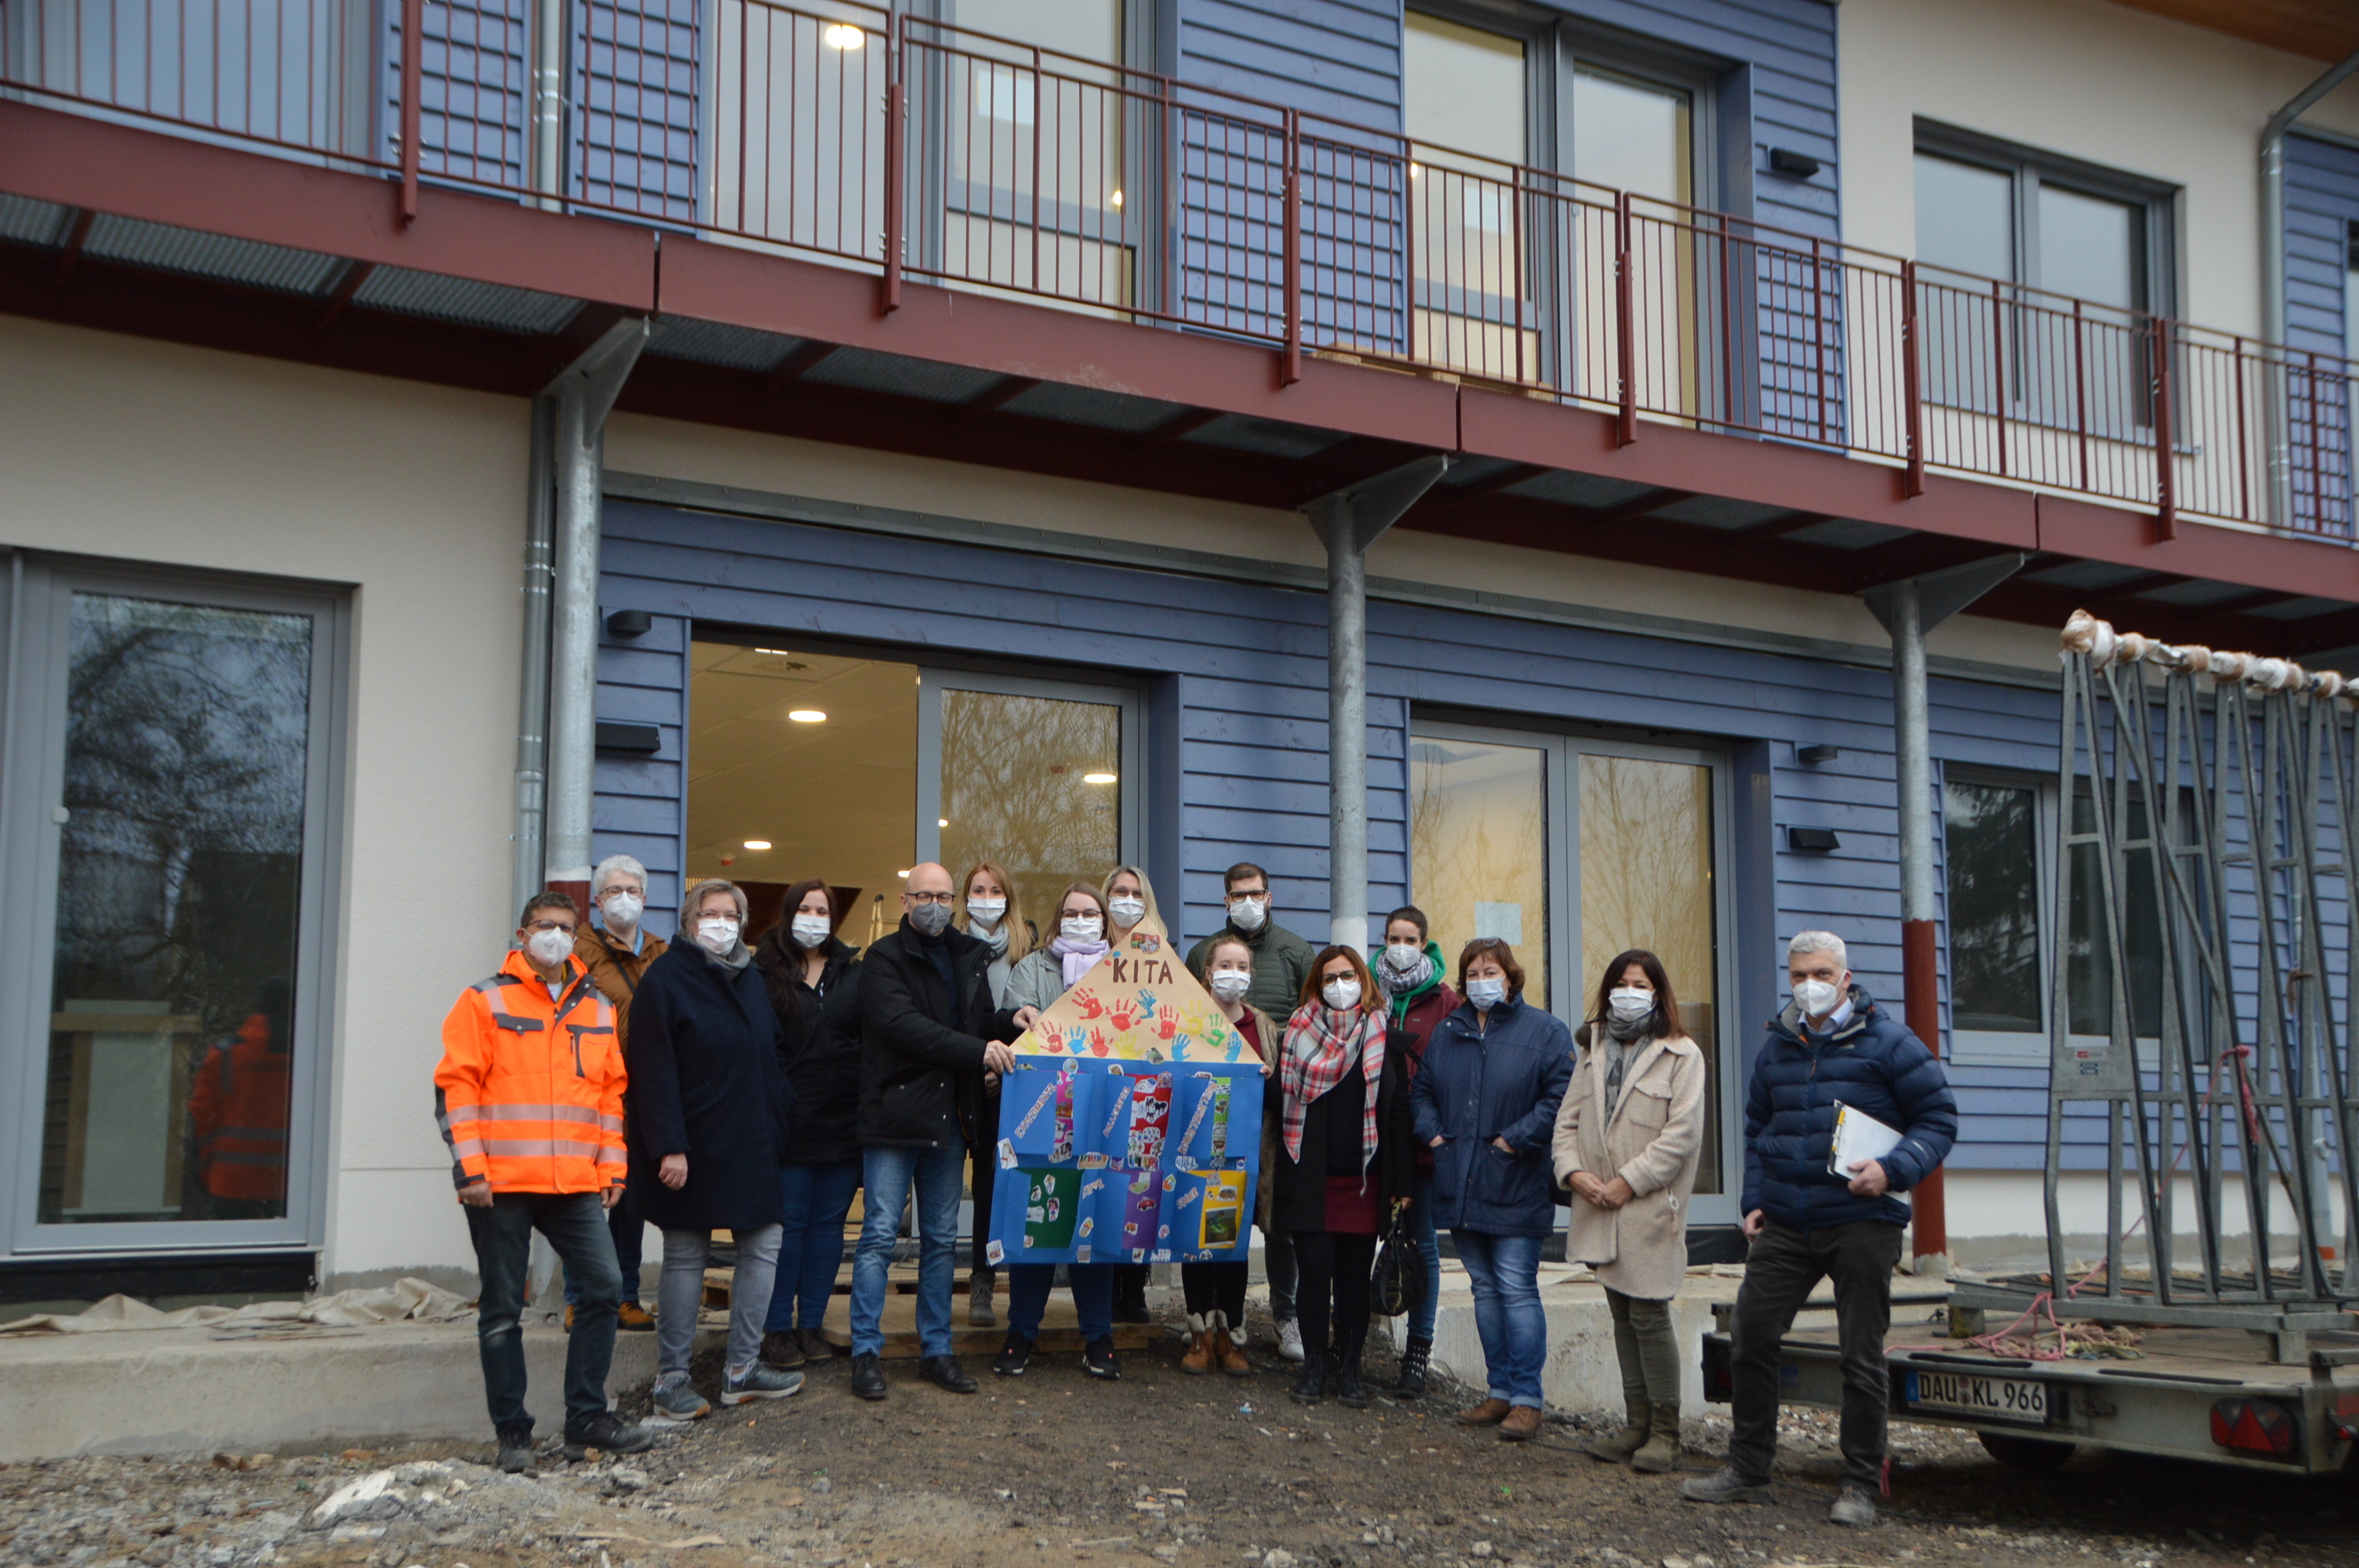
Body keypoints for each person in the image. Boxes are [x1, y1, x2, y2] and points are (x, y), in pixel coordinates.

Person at [1683, 931, 1957, 1528]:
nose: (1810, 984)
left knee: (1860, 1355)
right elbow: (1758, 1127)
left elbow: (1938, 1118)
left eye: (1822, 973)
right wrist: (1753, 1199)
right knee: (1751, 1337)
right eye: (1800, 973)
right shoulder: (1779, 1045)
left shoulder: (1890, 1043)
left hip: (1862, 1221)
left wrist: (1892, 1170)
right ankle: (1749, 1472)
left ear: (1846, 977)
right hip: (1786, 1220)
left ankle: (1860, 1484)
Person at [434, 891, 651, 1473]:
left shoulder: (598, 1008)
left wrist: (612, 1169)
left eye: (564, 927)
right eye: (543, 926)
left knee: (604, 1289)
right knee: (504, 1308)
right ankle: (513, 1435)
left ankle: (586, 1418)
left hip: (574, 1183)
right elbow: (457, 1088)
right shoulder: (484, 1001)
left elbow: (610, 1096)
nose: (554, 935)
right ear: (521, 934)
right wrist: (471, 1170)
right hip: (499, 1183)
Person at [627, 877, 805, 1421]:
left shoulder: (749, 977)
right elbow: (652, 1073)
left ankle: (741, 1369)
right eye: (710, 913)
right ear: (689, 921)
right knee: (685, 1256)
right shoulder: (665, 980)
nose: (721, 923)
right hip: (692, 1143)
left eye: (731, 915)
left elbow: (771, 1050)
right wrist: (669, 1146)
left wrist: (780, 1108)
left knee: (765, 1243)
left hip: (752, 1140)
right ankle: (672, 1378)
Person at [852, 862, 1019, 1399]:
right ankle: (865, 1354)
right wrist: (979, 1051)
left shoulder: (969, 958)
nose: (936, 905)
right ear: (904, 902)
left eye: (945, 897)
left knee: (943, 1242)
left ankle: (937, 1351)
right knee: (879, 1235)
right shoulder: (881, 959)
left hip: (950, 1119)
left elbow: (977, 1025)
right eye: (924, 895)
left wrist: (1011, 1022)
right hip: (895, 1117)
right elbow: (903, 1028)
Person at [1411, 938, 1572, 1443]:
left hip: (1516, 1181)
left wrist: (1512, 1141)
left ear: (1510, 976)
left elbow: (1561, 1096)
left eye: (1491, 971)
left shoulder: (1545, 1031)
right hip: (1459, 1181)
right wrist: (1435, 1136)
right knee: (1484, 1290)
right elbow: (1422, 1092)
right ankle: (1499, 1390)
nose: (1483, 980)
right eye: (1474, 972)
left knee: (1516, 1289)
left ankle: (1527, 1399)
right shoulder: (1448, 1032)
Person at [1554, 949, 1706, 1472]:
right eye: (1621, 982)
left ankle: (1665, 1432)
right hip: (1597, 1202)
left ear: (1658, 992)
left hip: (1647, 1206)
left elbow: (1681, 1136)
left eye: (1640, 983)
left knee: (1649, 1313)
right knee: (1620, 1312)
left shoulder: (1682, 1054)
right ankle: (1635, 1424)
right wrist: (1575, 1174)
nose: (1628, 991)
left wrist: (1628, 1182)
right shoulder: (1591, 1047)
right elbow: (1567, 1123)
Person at [989, 883, 1123, 1380]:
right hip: (1043, 1114)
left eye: (1091, 913)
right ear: (1057, 919)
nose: (1081, 920)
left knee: (1095, 1219)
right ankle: (1021, 1333)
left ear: (1105, 920)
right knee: (1037, 1220)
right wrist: (1019, 1021)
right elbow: (1012, 1023)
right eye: (1071, 913)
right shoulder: (1033, 969)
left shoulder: (1123, 972)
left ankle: (1098, 1337)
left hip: (1106, 1116)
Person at [1184, 862, 1318, 1360]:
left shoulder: (1295, 951)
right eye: (1238, 894)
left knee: (1270, 1223)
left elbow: (1309, 1013)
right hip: (1203, 1127)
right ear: (1225, 900)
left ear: (1269, 895)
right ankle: (1200, 1322)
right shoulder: (1202, 951)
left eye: (1255, 893)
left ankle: (1282, 1318)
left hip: (1263, 1120)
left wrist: (1275, 1075)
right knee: (1200, 1220)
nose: (1247, 901)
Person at [1274, 944, 1413, 1409]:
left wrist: (1402, 1185)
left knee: (1353, 1279)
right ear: (1316, 985)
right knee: (1313, 1273)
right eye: (1329, 978)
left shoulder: (1383, 1037)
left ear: (1363, 980)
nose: (1339, 986)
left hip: (1364, 1183)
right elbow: (1278, 1105)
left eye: (1348, 975)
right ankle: (1315, 1364)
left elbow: (1397, 1114)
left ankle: (1350, 1365)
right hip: (1310, 1179)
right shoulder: (1294, 1035)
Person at [754, 879, 863, 1370]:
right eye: (805, 908)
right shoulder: (762, 972)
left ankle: (811, 1326)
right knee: (788, 1228)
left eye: (823, 909)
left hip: (843, 1124)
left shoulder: (852, 973)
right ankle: (776, 1329)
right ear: (788, 913)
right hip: (788, 1123)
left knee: (828, 1230)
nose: (814, 917)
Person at [565, 852, 667, 1333]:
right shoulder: (577, 952)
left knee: (628, 1202)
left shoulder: (663, 954)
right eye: (613, 892)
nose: (623, 900)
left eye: (632, 891)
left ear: (645, 899)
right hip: (590, 1093)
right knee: (584, 1200)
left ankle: (626, 1296)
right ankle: (580, 1297)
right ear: (598, 900)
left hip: (643, 1095)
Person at [1177, 932, 1279, 1377]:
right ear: (1207, 972)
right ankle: (1199, 1333)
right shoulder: (1189, 1019)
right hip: (1194, 1150)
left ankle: (1230, 1336)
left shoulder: (1263, 1025)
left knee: (1233, 1244)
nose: (1233, 974)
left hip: (1244, 1153)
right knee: (1195, 1241)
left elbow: (1279, 1096)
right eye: (1225, 965)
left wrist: (1268, 1076)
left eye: (1242, 967)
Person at [1371, 906, 1457, 1396]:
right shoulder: (1368, 991)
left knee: (1421, 1247)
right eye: (1391, 938)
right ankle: (1352, 1342)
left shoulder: (1445, 1002)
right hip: (1371, 1141)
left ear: (1424, 942)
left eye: (1409, 939)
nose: (1399, 947)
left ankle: (1418, 1353)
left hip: (1419, 1145)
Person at [956, 861, 1031, 1327]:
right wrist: (979, 1065)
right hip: (971, 1080)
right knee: (983, 1188)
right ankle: (980, 1282)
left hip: (1018, 1086)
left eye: (995, 890)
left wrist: (1008, 1071)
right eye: (977, 890)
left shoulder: (1028, 951)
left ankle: (1023, 1290)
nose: (986, 897)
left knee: (1019, 1188)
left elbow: (1035, 1019)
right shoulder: (954, 950)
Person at [1098, 862, 1166, 1323]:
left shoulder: (1162, 956)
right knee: (1103, 1178)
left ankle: (1134, 1286)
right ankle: (1101, 1280)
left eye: (1135, 893)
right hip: (1100, 1084)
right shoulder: (1089, 952)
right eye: (1118, 891)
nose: (1126, 899)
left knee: (1142, 1177)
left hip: (1147, 1084)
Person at [188, 978, 293, 1219]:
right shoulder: (311, 1054)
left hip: (232, 1183)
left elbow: (201, 1119)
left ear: (257, 1006)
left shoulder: (226, 1054)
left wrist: (204, 1173)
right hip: (293, 1185)